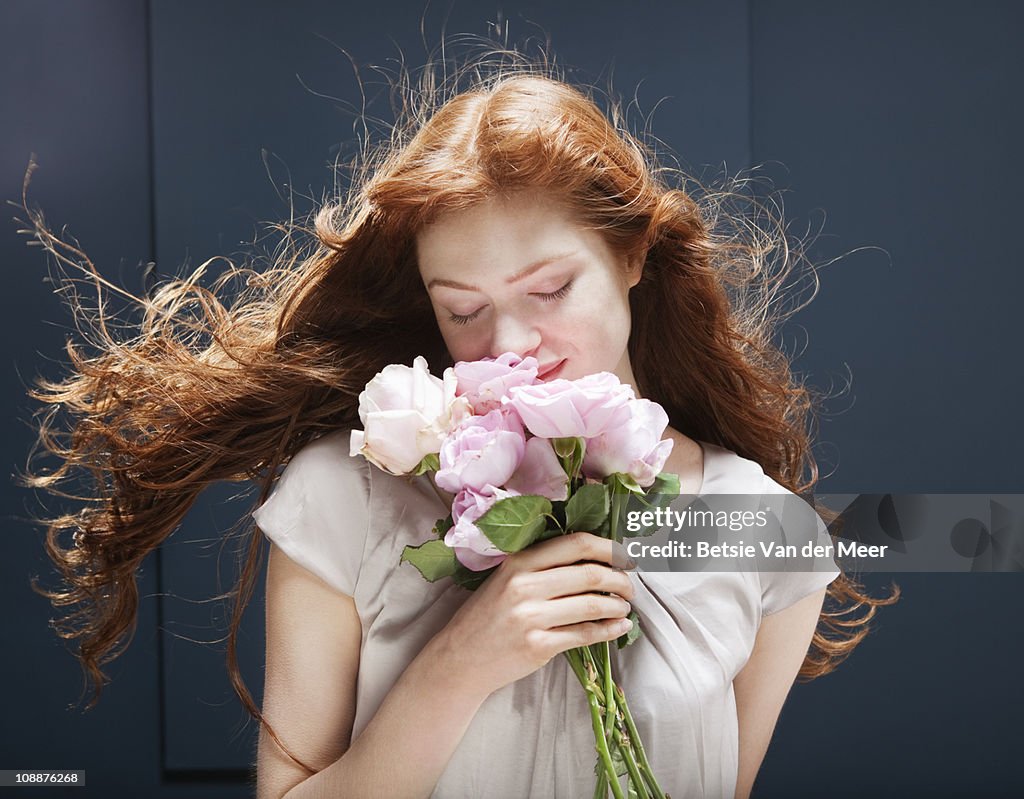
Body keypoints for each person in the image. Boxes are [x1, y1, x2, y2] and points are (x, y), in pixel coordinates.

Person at [21, 45, 897, 799]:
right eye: (462, 309)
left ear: (632, 256)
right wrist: (460, 662)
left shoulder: (762, 530)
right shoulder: (343, 495)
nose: (510, 341)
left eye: (549, 289)